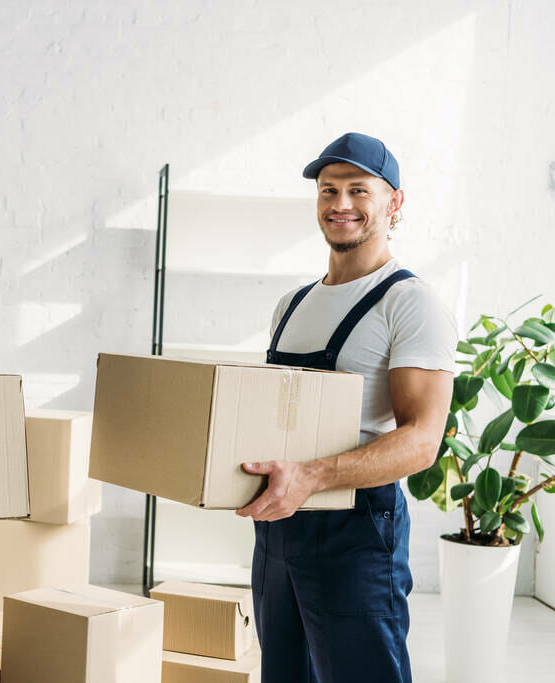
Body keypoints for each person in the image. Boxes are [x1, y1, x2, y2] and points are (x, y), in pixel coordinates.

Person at [236, 132, 457, 682]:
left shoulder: (410, 303)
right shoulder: (291, 304)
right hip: (279, 529)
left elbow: (423, 440)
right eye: (328, 189)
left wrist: (314, 475)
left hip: (355, 533)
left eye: (359, 190)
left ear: (394, 202)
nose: (340, 204)